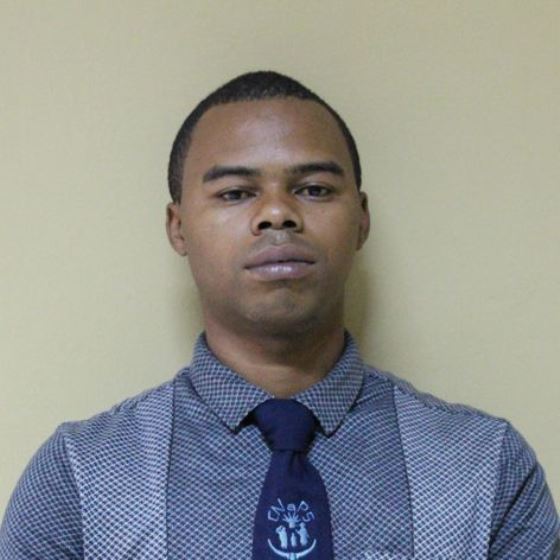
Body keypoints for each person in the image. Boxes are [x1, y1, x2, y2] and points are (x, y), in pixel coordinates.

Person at [0, 71, 558, 559]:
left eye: (313, 188)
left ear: (362, 219)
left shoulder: (484, 466)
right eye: (235, 193)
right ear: (178, 227)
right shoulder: (82, 476)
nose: (276, 213)